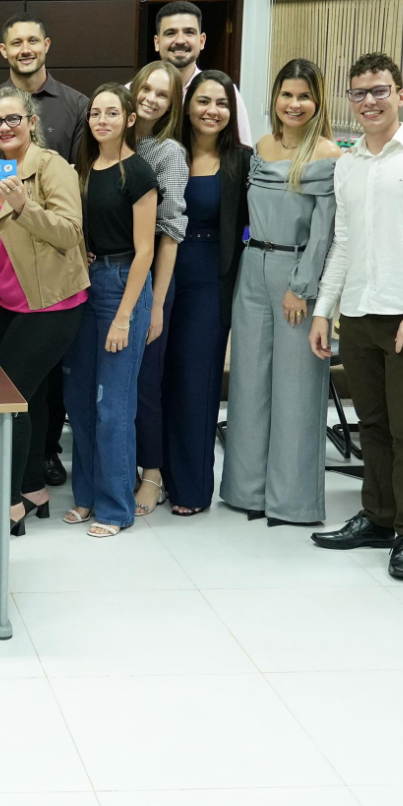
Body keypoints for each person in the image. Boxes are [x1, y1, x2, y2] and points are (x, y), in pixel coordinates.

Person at [308, 54, 403, 582]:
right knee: (369, 424)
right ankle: (376, 517)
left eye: (379, 91)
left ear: (400, 95)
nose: (369, 101)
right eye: (358, 93)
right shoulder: (349, 162)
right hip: (357, 311)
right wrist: (324, 310)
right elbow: (344, 244)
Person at [220, 59, 340, 528]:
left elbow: (326, 232)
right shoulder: (259, 147)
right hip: (253, 265)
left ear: (318, 101)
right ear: (274, 98)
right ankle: (246, 490)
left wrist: (302, 287)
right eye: (287, 94)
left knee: (296, 387)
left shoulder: (329, 153)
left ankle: (292, 501)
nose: (295, 104)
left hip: (296, 270)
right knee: (248, 382)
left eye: (304, 96)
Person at [0, 14, 87, 485]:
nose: (4, 127)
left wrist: (24, 207)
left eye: (13, 119)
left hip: (51, 303)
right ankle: (35, 490)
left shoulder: (51, 165)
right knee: (32, 396)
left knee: (10, 396)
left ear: (32, 121)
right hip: (9, 303)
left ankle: (12, 496)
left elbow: (69, 232)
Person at [61, 84, 160, 538]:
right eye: (96, 113)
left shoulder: (137, 172)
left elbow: (145, 252)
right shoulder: (82, 170)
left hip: (123, 284)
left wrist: (124, 318)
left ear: (129, 119)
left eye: (112, 112)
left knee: (113, 406)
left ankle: (116, 507)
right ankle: (86, 495)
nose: (102, 120)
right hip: (85, 280)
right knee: (80, 400)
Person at [157, 70, 251, 517]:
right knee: (156, 380)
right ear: (187, 105)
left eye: (222, 103)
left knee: (196, 383)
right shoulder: (163, 152)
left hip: (210, 281)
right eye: (203, 101)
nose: (212, 111)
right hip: (160, 274)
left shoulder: (242, 161)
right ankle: (155, 476)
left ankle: (191, 487)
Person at [128, 60, 189, 517]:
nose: (149, 97)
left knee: (146, 384)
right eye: (145, 87)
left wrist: (157, 303)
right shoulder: (105, 134)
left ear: (172, 104)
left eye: (162, 94)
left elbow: (170, 234)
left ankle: (153, 472)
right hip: (101, 279)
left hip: (148, 281)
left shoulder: (168, 153)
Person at [0, 15, 90, 158]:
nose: (25, 50)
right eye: (16, 43)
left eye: (33, 41)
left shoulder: (78, 106)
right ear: (4, 50)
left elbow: (81, 172)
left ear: (46, 45)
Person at [150, 1, 251, 147]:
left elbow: (242, 149)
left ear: (202, 40)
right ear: (157, 42)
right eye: (171, 33)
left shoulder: (224, 92)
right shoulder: (136, 93)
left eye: (189, 32)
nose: (180, 40)